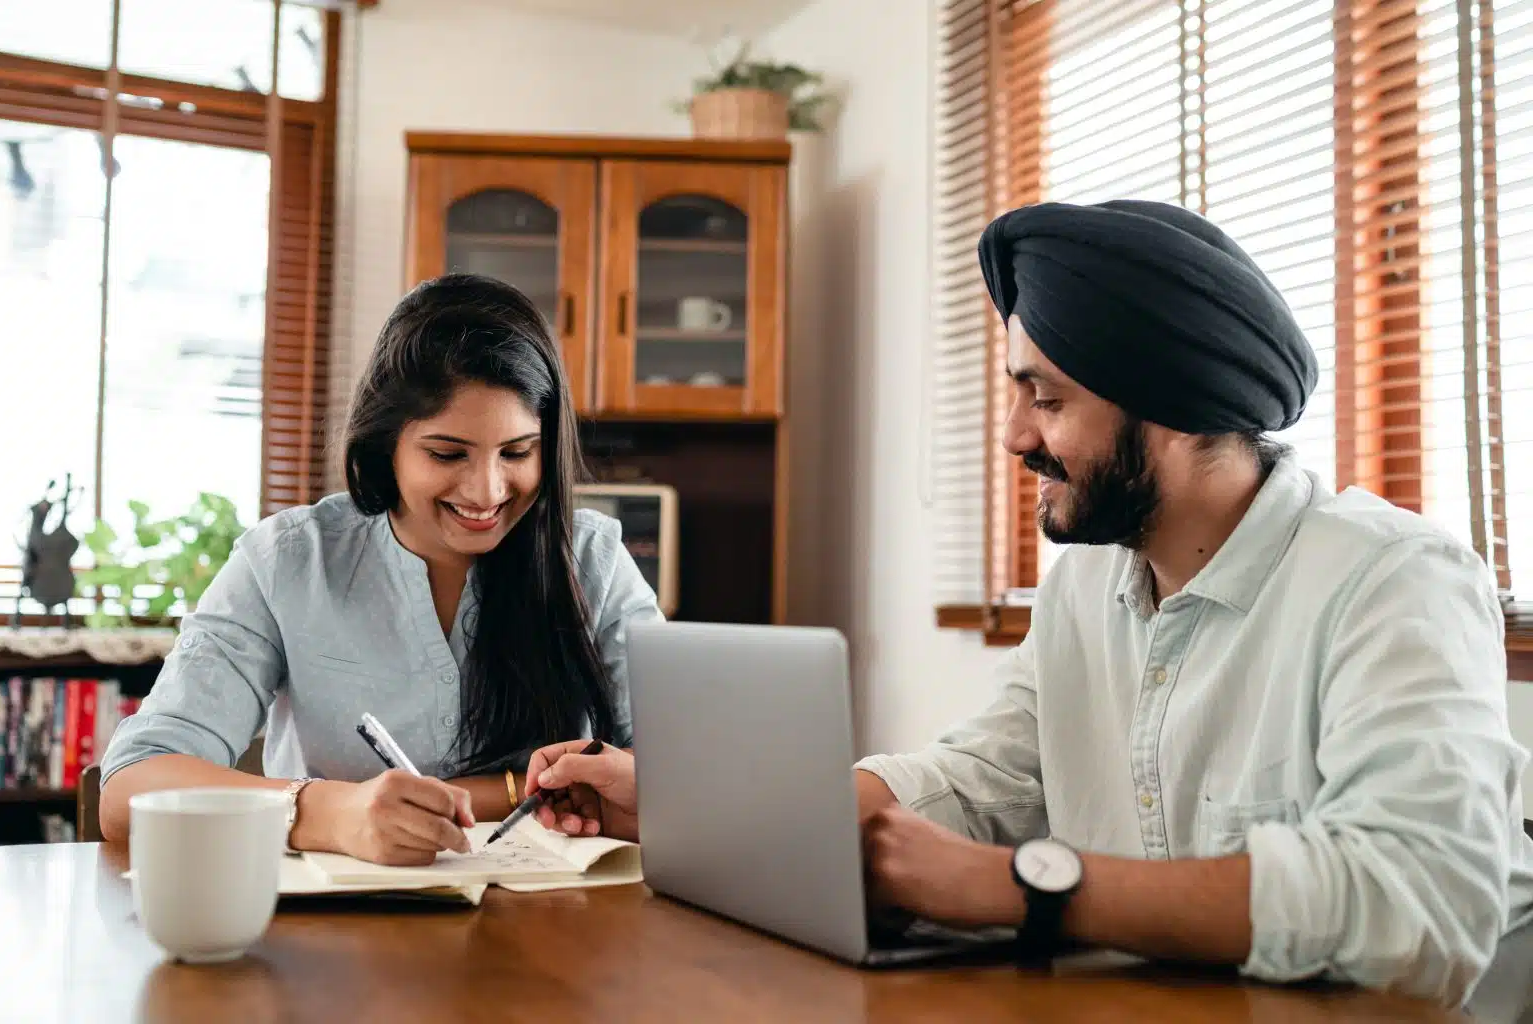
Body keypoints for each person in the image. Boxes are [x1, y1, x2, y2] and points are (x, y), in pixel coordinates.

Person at [524, 200, 1533, 1004]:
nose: (1013, 436)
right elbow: (978, 780)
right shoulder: (1088, 584)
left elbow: (1422, 904)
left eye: (1046, 399)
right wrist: (701, 807)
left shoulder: (1394, 581)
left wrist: (1018, 886)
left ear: (1173, 409)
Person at [99, 273, 661, 865]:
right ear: (385, 443)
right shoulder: (289, 560)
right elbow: (129, 789)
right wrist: (328, 813)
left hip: (559, 931)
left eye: (517, 452)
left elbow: (684, 774)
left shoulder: (593, 560)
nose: (488, 490)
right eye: (447, 454)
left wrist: (640, 798)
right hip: (335, 939)